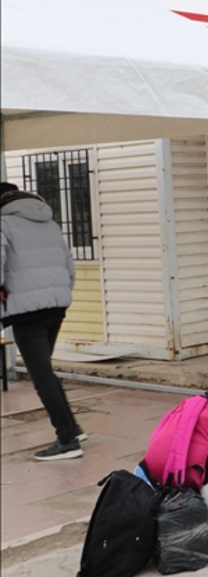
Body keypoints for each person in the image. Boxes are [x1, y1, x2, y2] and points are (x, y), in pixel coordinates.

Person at [0, 184, 85, 461]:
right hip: (56, 305)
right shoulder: (49, 223)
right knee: (44, 371)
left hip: (27, 310)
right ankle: (72, 427)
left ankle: (67, 441)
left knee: (40, 376)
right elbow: (68, 265)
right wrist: (61, 295)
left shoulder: (3, 223)